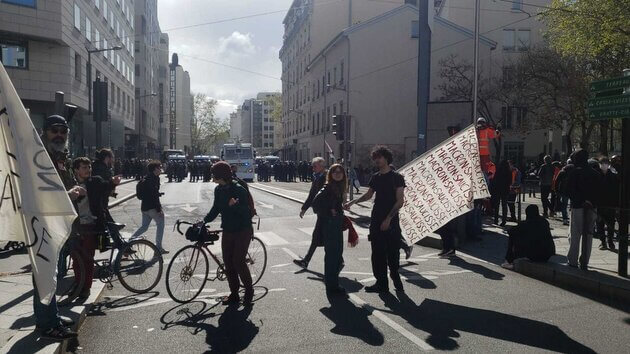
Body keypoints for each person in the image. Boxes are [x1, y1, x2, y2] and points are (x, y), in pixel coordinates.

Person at [36, 115, 84, 340]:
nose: (59, 135)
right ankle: (47, 325)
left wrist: (72, 189)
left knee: (51, 273)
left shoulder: (59, 155)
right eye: (54, 130)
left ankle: (51, 316)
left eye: (63, 131)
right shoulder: (40, 156)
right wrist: (69, 194)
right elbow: (40, 193)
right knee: (44, 273)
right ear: (44, 131)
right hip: (43, 221)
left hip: (57, 220)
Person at [345, 145, 405, 293]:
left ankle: (395, 275)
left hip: (391, 221)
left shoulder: (397, 177)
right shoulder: (375, 177)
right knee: (377, 254)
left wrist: (388, 219)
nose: (376, 160)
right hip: (376, 219)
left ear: (386, 158)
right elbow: (369, 195)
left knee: (392, 253)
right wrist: (353, 202)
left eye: (379, 157)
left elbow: (400, 201)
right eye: (375, 158)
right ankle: (381, 283)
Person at [202, 162, 254, 306]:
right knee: (228, 263)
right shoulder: (218, 190)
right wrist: (204, 221)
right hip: (228, 229)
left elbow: (246, 213)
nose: (212, 176)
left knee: (238, 261)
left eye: (213, 174)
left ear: (220, 176)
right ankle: (234, 293)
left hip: (242, 230)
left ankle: (249, 291)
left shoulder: (238, 189)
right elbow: (216, 208)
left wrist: (235, 206)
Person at [71, 157, 120, 299]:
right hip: (76, 226)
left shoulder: (94, 181)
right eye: (84, 168)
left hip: (91, 226)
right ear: (76, 170)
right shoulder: (71, 185)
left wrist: (113, 183)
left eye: (89, 167)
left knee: (87, 258)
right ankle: (78, 283)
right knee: (76, 258)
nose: (88, 170)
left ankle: (86, 288)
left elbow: (105, 185)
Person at [311, 164, 347, 294]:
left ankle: (333, 284)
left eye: (340, 172)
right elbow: (315, 204)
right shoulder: (328, 187)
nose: (338, 174)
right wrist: (329, 211)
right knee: (333, 256)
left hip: (335, 225)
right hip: (330, 226)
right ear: (330, 174)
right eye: (335, 172)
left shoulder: (336, 187)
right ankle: (332, 287)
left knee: (336, 256)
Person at [566, 149, 602, 271]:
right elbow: (600, 191)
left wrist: (581, 201)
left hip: (578, 206)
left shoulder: (574, 172)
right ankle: (585, 261)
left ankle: (573, 260)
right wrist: (591, 202)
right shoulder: (595, 173)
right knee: (589, 234)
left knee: (575, 234)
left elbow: (569, 190)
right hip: (592, 207)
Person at [294, 157, 327, 268]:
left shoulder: (327, 177)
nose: (313, 168)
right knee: (324, 237)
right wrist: (304, 208)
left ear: (322, 167)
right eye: (312, 166)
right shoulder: (317, 177)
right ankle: (339, 259)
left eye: (315, 166)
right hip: (321, 212)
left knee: (317, 236)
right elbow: (312, 194)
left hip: (326, 212)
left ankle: (306, 261)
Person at [501, 205, 555, 269]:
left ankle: (509, 260)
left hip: (534, 254)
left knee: (513, 235)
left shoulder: (525, 223)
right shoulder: (544, 222)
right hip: (547, 254)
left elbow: (511, 231)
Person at [130, 161, 167, 254]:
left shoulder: (146, 178)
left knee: (144, 227)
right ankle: (158, 247)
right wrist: (159, 209)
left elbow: (149, 193)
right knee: (161, 224)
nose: (161, 169)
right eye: (159, 167)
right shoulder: (154, 179)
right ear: (155, 169)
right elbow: (153, 195)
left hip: (144, 207)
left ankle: (128, 242)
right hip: (152, 208)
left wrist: (158, 193)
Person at [596, 157, 619, 251]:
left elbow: (616, 190)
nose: (604, 165)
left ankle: (610, 241)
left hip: (610, 204)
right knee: (600, 223)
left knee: (610, 224)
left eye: (606, 163)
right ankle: (603, 241)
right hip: (600, 203)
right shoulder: (597, 175)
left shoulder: (613, 176)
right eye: (602, 163)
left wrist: (616, 204)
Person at [491, 160, 512, 226]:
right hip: (505, 190)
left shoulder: (498, 171)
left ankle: (496, 220)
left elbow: (494, 180)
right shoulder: (509, 172)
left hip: (498, 190)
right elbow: (510, 182)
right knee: (504, 205)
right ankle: (504, 221)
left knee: (497, 205)